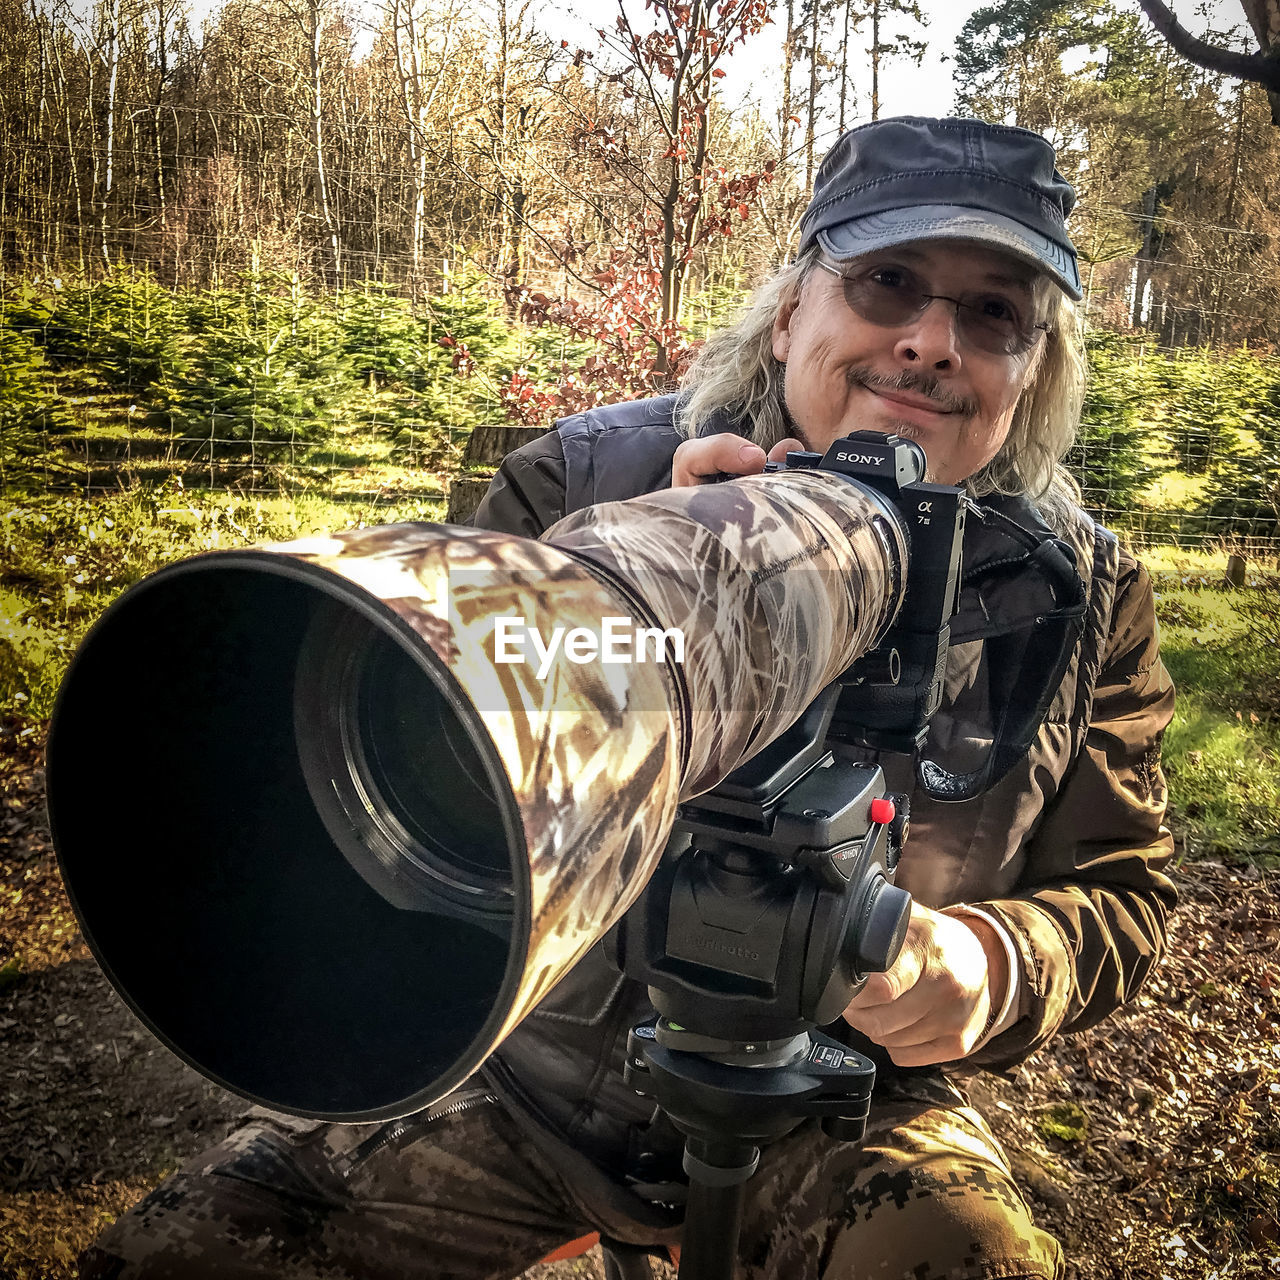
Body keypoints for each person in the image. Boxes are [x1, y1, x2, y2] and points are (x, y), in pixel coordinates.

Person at [81, 116, 1174, 1280]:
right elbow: (365, 765)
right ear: (794, 302)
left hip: (847, 1099)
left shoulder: (1081, 596)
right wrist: (635, 576)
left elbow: (1119, 892)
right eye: (884, 283)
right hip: (524, 1075)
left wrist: (995, 963)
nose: (927, 343)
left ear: (1034, 366)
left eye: (991, 312)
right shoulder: (578, 479)